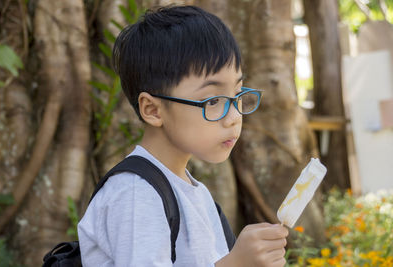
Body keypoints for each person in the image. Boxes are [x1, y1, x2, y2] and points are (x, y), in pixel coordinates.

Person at [77, 5, 288, 267]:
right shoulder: (135, 194)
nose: (233, 116)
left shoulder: (194, 193)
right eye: (213, 100)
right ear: (153, 110)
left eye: (237, 95)